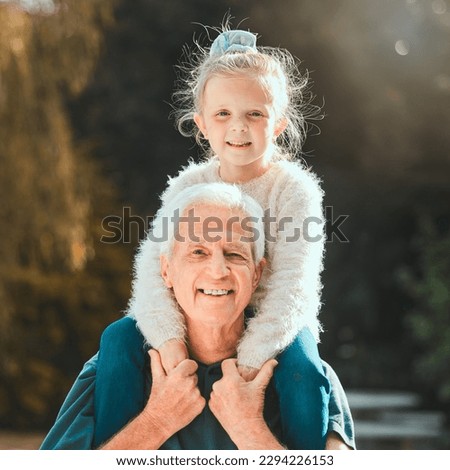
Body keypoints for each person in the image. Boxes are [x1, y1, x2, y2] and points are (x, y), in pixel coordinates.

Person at [124, 26, 331, 449]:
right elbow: (151, 272)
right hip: (198, 319)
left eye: (255, 114)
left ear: (279, 124)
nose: (239, 127)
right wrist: (171, 343)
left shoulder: (294, 190)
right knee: (116, 343)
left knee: (304, 369)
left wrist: (249, 361)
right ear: (201, 123)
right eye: (223, 114)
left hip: (271, 328)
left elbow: (293, 288)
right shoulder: (185, 186)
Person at [40, 183, 355, 450]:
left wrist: (250, 432)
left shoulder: (308, 374)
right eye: (198, 253)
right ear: (166, 270)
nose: (217, 271)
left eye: (234, 254)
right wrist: (155, 422)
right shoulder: (109, 366)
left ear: (257, 274)